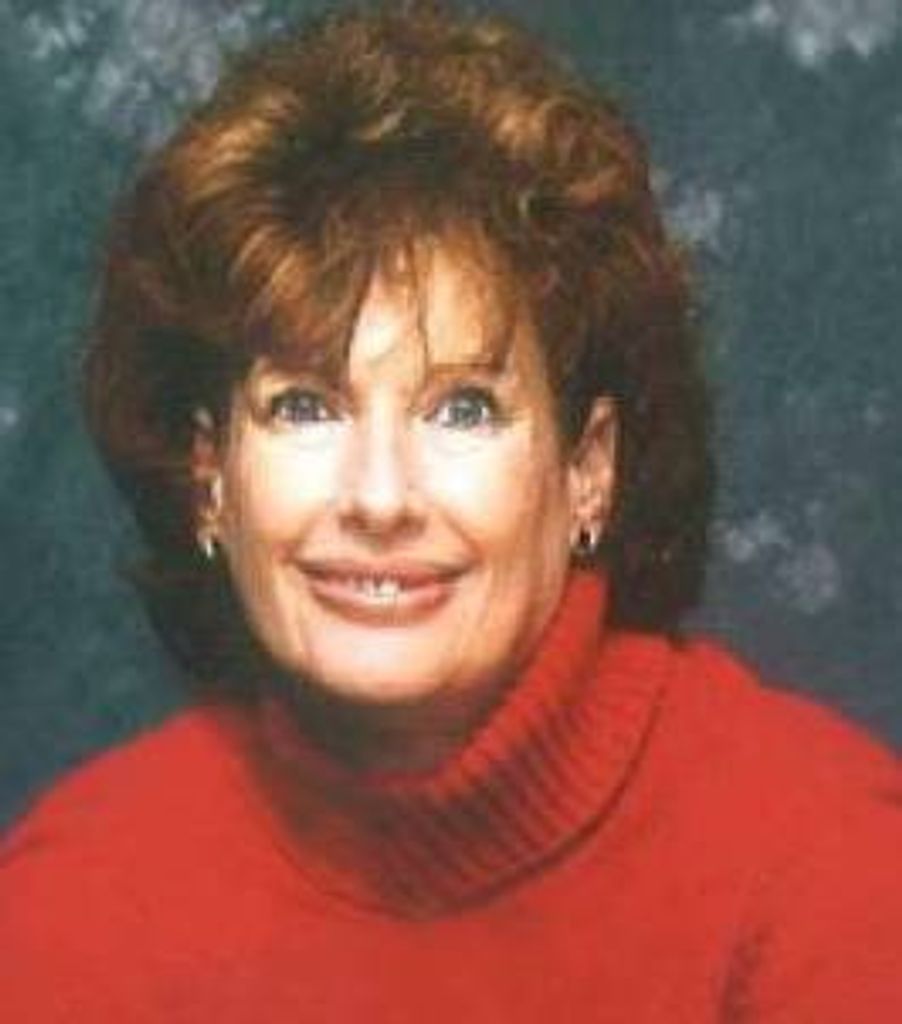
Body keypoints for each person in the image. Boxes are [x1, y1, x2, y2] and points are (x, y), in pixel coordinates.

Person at [1, 1, 899, 1020]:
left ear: (586, 470)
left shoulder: (828, 866)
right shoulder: (75, 899)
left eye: (462, 409)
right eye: (304, 407)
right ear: (210, 475)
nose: (380, 496)